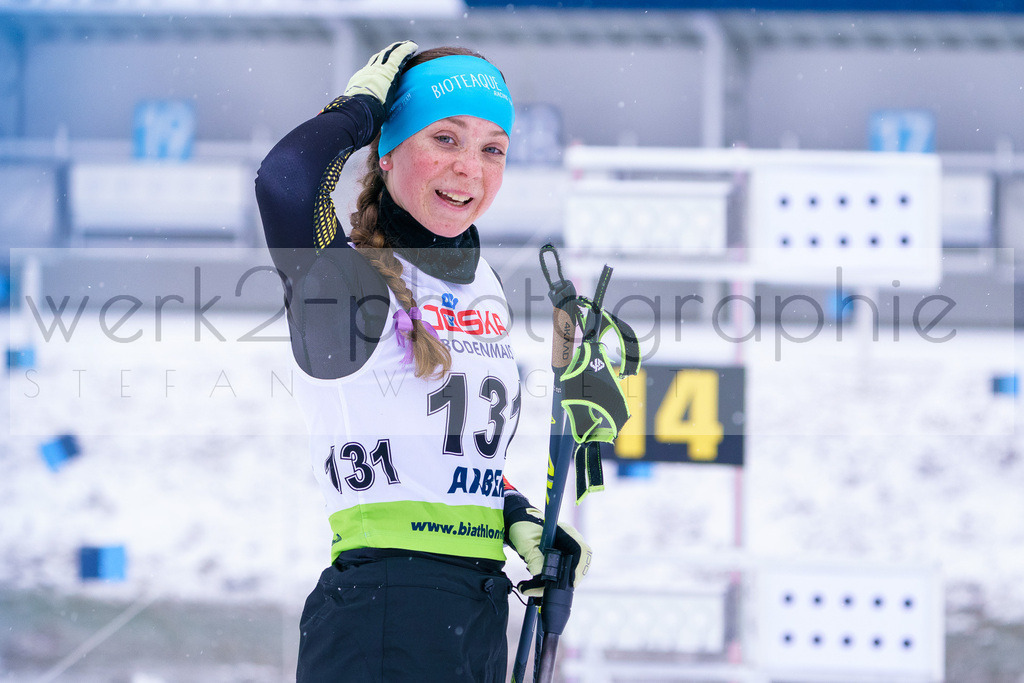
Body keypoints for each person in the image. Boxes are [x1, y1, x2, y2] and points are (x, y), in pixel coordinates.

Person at [255, 41, 591, 682]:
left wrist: (514, 516)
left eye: (493, 148)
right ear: (387, 151)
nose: (471, 169)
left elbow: (446, 452)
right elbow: (287, 182)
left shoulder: (481, 282)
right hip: (383, 614)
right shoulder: (350, 283)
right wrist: (358, 110)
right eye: (445, 138)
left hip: (477, 613)